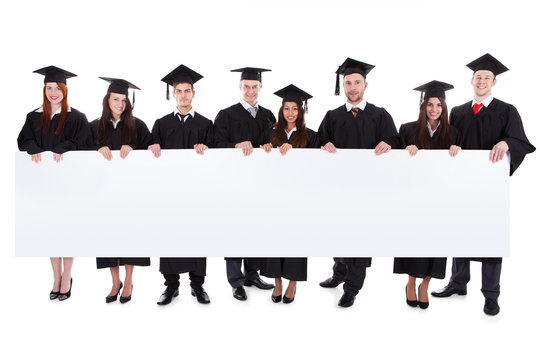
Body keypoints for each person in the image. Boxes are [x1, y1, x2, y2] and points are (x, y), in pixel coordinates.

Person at [431, 54, 535, 316]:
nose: (482, 81)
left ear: (494, 82)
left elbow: (521, 141)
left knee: (490, 238)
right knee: (460, 232)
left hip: (490, 187)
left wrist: (507, 142)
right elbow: (447, 140)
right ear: (471, 80)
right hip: (462, 185)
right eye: (478, 77)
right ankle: (458, 283)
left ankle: (491, 294)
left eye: (487, 77)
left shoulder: (507, 110)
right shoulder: (458, 111)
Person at [318, 57, 399, 308]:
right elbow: (315, 146)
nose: (352, 87)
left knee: (360, 238)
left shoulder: (380, 115)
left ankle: (352, 288)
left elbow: (396, 142)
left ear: (366, 84)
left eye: (357, 82)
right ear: (343, 86)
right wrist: (324, 144)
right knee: (338, 232)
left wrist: (390, 144)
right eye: (348, 83)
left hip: (368, 191)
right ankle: (339, 272)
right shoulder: (332, 116)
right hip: (339, 189)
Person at [17, 65, 90, 301]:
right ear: (44, 89)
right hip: (44, 185)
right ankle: (55, 276)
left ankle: (67, 276)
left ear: (65, 90)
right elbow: (23, 140)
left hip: (69, 186)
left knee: (66, 232)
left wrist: (63, 148)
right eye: (49, 88)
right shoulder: (33, 116)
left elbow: (83, 142)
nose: (53, 92)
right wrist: (33, 149)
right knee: (50, 232)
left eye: (57, 88)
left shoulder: (77, 117)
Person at [393, 80, 461, 309]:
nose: (434, 109)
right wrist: (405, 151)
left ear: (444, 107)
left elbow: (462, 167)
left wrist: (457, 151)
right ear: (422, 107)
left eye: (438, 105)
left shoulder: (454, 133)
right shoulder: (408, 129)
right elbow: (393, 164)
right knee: (414, 241)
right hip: (413, 198)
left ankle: (426, 283)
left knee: (436, 242)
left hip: (441, 199)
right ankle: (411, 281)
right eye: (429, 104)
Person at [149, 64, 213, 305]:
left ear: (194, 94)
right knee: (170, 235)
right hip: (170, 193)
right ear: (173, 94)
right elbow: (151, 156)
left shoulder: (206, 124)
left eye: (188, 91)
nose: (184, 95)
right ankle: (171, 286)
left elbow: (217, 158)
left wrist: (207, 149)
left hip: (198, 193)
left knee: (197, 235)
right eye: (179, 91)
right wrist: (152, 148)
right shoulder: (161, 124)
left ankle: (198, 286)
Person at [214, 67, 276, 301]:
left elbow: (277, 142)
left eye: (255, 86)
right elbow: (214, 145)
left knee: (256, 229)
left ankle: (252, 275)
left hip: (261, 184)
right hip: (234, 185)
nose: (251, 90)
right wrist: (235, 146)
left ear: (260, 88)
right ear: (240, 88)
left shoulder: (269, 115)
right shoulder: (226, 114)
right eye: (246, 86)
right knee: (234, 230)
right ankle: (236, 281)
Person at [89, 77, 153, 303]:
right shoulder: (94, 126)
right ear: (107, 100)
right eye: (116, 99)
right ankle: (114, 282)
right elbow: (80, 152)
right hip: (103, 193)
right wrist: (98, 147)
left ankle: (128, 281)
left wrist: (133, 147)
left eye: (124, 100)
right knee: (108, 238)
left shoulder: (138, 125)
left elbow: (152, 148)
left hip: (131, 194)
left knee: (130, 236)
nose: (120, 104)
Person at [259, 84, 318, 303]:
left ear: (301, 112)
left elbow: (316, 168)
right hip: (274, 197)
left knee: (296, 240)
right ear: (281, 111)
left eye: (295, 108)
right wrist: (265, 150)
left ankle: (293, 282)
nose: (290, 112)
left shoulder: (311, 136)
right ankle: (277, 281)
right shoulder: (269, 133)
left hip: (299, 199)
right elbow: (258, 165)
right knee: (274, 238)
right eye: (286, 108)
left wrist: (295, 153)